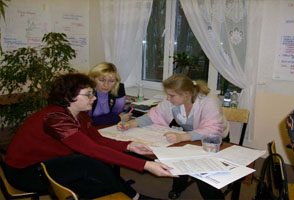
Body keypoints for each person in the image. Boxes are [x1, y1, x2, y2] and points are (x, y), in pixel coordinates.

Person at [4, 73, 173, 199]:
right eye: (88, 94)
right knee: (89, 164)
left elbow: (97, 140)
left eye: (93, 93)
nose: (93, 98)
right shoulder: (55, 118)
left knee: (95, 174)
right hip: (25, 173)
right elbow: (92, 149)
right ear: (67, 96)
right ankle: (134, 197)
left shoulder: (80, 113)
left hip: (47, 163)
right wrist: (145, 165)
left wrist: (129, 145)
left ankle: (131, 196)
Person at [118, 74, 229, 200]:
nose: (168, 98)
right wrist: (130, 124)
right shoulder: (172, 100)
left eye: (171, 95)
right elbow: (153, 115)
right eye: (168, 94)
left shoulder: (209, 100)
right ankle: (178, 186)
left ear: (186, 94)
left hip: (214, 139)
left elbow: (213, 129)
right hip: (189, 137)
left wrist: (182, 137)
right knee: (178, 159)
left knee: (203, 174)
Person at [88, 62, 131, 126]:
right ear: (93, 79)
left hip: (107, 127)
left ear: (116, 81)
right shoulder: (85, 92)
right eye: (101, 80)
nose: (106, 85)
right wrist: (118, 118)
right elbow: (86, 121)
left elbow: (117, 113)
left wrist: (118, 117)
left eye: (111, 81)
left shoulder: (118, 88)